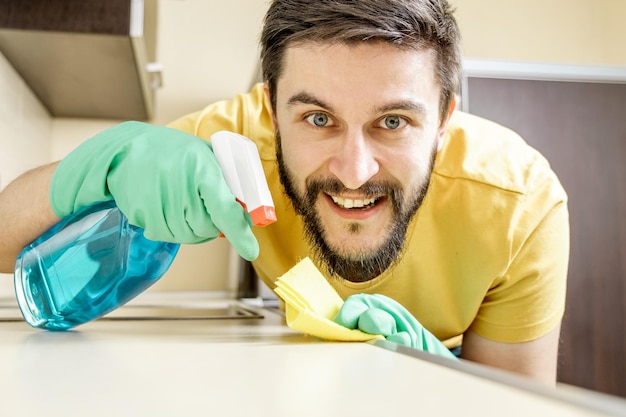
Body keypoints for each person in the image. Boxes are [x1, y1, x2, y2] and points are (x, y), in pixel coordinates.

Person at [0, 0, 568, 385]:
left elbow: (516, 400)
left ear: (444, 118)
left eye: (392, 122)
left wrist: (445, 381)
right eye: (319, 119)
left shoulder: (522, 205)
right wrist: (97, 170)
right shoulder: (236, 143)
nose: (353, 171)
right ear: (271, 109)